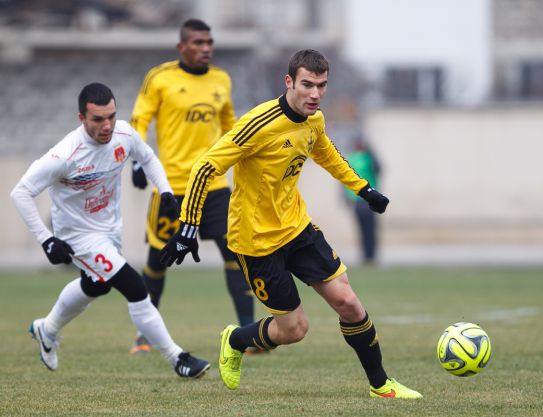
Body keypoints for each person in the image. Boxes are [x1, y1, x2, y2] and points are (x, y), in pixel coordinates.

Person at [159, 50, 422, 398]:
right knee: (295, 329)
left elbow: (326, 152)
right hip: (255, 242)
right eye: (307, 85)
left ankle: (381, 385)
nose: (315, 94)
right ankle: (235, 339)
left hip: (296, 228)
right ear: (289, 82)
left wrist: (363, 189)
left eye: (322, 86)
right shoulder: (258, 124)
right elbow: (206, 167)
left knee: (348, 302)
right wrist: (188, 226)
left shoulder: (314, 121)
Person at [10, 83, 209, 379]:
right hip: (78, 236)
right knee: (135, 287)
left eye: (111, 116)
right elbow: (20, 192)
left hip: (110, 229)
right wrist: (47, 239)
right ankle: (177, 358)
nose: (107, 126)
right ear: (81, 119)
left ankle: (46, 329)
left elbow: (148, 157)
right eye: (98, 119)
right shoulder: (65, 154)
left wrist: (165, 191)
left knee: (96, 286)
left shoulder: (124, 134)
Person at [129, 18, 254, 354]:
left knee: (236, 253)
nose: (206, 48)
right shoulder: (160, 78)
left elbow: (230, 125)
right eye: (198, 43)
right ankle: (145, 336)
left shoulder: (221, 80)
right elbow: (139, 120)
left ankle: (250, 333)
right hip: (172, 187)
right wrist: (138, 160)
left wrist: (245, 159)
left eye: (209, 42)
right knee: (158, 259)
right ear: (181, 47)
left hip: (214, 185)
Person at [344, 138, 382, 264]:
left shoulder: (363, 157)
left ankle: (369, 255)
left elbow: (377, 169)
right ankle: (368, 256)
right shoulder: (363, 157)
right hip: (361, 199)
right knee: (367, 228)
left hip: (363, 199)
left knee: (367, 228)